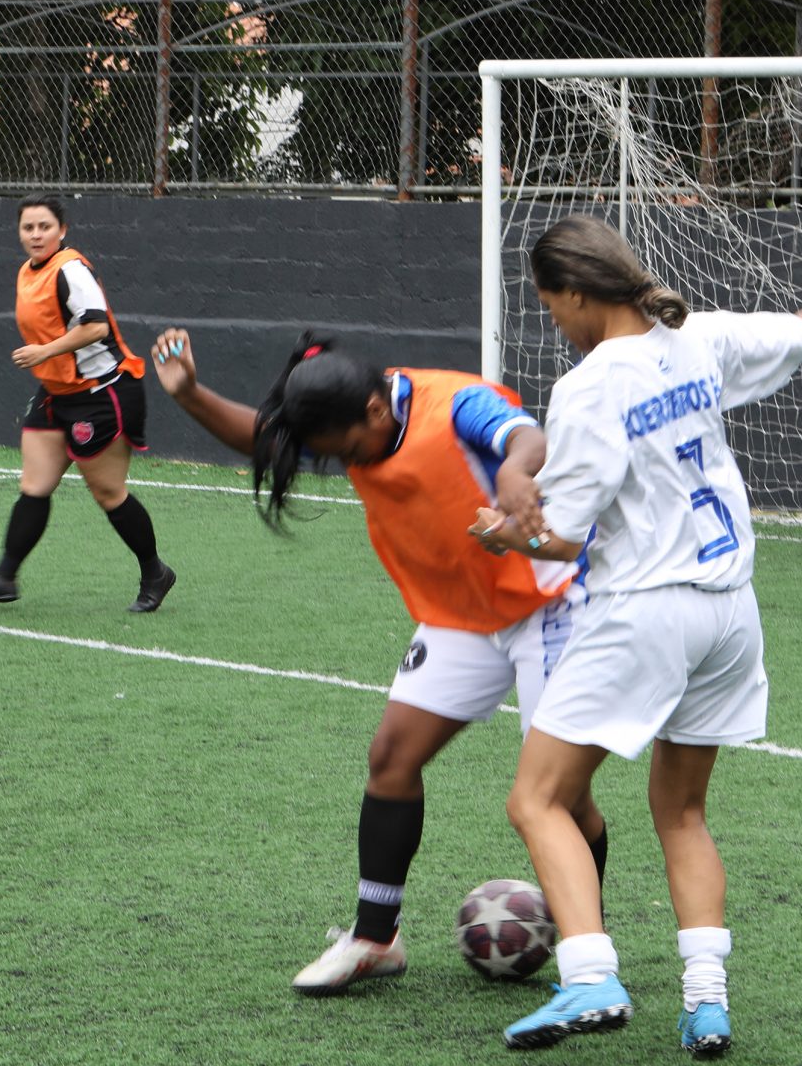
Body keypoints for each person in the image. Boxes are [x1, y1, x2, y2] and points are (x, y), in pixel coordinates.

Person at [479, 216, 802, 1059]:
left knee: (537, 797)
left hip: (649, 608)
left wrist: (505, 532)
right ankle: (706, 1002)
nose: (551, 319)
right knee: (683, 809)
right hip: (731, 609)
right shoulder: (693, 337)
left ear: (580, 293)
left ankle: (590, 974)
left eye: (550, 304)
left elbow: (565, 536)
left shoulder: (590, 386)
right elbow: (801, 333)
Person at [149, 327, 606, 993]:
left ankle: (587, 950)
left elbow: (526, 438)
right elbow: (269, 439)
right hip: (459, 614)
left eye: (348, 450)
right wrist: (189, 393)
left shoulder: (452, 403)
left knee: (560, 797)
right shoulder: (345, 411)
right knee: (392, 757)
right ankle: (375, 937)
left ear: (372, 412)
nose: (342, 461)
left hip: (548, 603)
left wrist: (513, 470)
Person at [0, 197, 176, 613]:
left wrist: (44, 352)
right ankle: (4, 576)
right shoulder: (26, 271)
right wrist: (48, 361)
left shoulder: (70, 269)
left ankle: (155, 573)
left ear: (62, 230)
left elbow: (96, 326)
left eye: (44, 226)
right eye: (28, 228)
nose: (36, 235)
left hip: (103, 391)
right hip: (57, 394)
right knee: (35, 486)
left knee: (108, 492)